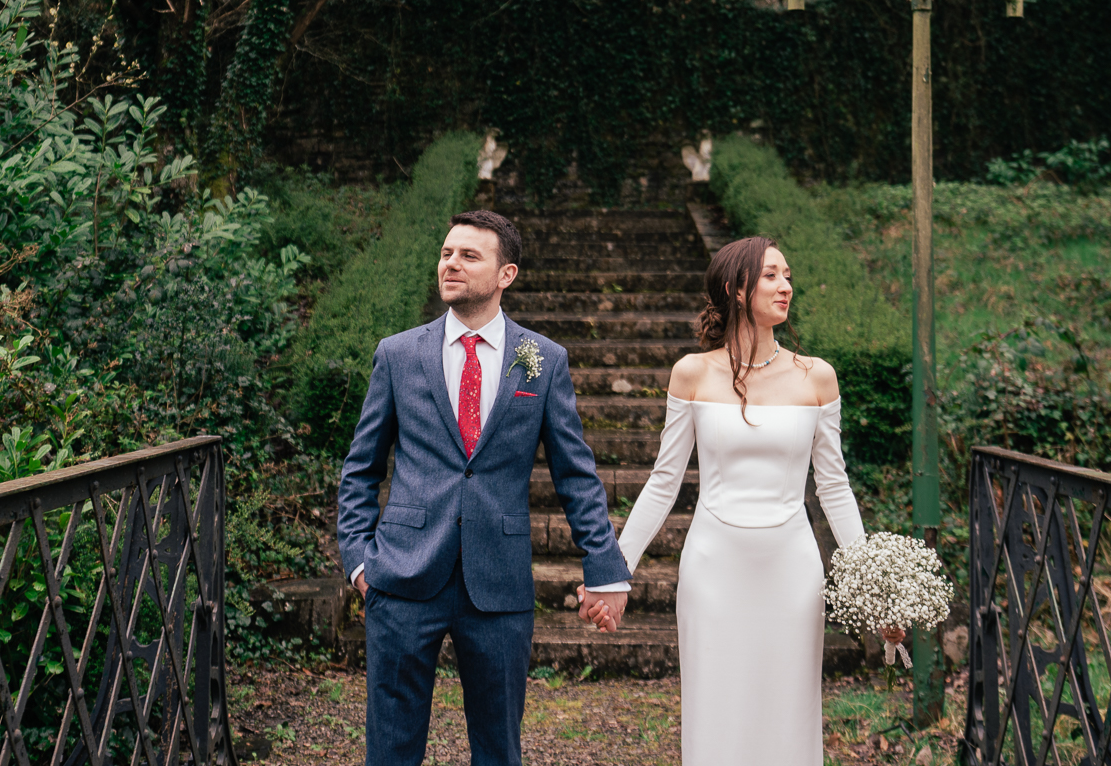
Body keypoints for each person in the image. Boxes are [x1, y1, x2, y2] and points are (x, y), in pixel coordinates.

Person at [336, 209, 631, 766]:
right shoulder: (397, 354)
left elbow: (575, 473)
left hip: (498, 586)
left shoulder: (543, 360)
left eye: (469, 256)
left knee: (498, 749)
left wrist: (605, 565)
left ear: (506, 275)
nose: (451, 263)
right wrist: (358, 560)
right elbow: (361, 468)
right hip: (399, 579)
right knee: (390, 750)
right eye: (447, 253)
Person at [615, 235, 867, 766]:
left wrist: (871, 577)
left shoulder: (816, 377)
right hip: (714, 566)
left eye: (789, 275)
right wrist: (617, 569)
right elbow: (664, 482)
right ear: (735, 288)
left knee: (790, 709)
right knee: (716, 708)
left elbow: (834, 485)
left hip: (793, 567)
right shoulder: (692, 372)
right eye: (772, 275)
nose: (786, 286)